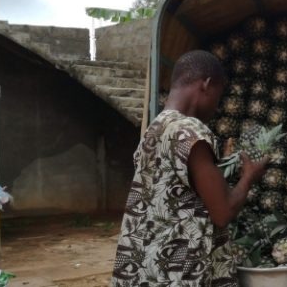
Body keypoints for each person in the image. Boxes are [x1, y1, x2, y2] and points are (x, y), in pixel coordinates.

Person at [111, 50, 268, 286]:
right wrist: (248, 177)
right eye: (218, 95)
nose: (217, 106)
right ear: (206, 84)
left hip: (148, 266)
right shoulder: (190, 133)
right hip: (179, 271)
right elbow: (223, 212)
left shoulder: (155, 129)